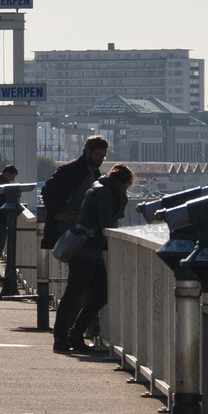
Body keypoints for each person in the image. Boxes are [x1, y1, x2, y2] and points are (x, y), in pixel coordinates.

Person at [50, 163, 133, 352]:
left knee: (87, 295)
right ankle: (64, 337)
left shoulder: (98, 186)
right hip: (88, 250)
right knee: (81, 295)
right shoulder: (106, 192)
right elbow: (105, 222)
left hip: (86, 249)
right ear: (126, 182)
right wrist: (113, 221)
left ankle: (72, 335)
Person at [40, 136, 109, 253]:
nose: (100, 159)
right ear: (87, 151)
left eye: (103, 156)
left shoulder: (93, 172)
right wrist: (56, 213)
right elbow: (47, 190)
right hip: (70, 233)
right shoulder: (70, 169)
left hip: (81, 233)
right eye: (98, 155)